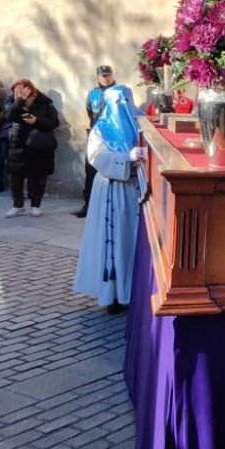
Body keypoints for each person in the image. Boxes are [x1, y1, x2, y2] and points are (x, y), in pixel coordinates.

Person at [73, 85, 142, 312]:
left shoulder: (141, 124)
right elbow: (96, 156)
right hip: (112, 190)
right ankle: (112, 294)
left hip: (137, 189)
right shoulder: (101, 129)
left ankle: (134, 292)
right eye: (116, 102)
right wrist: (125, 157)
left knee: (132, 242)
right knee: (113, 242)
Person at [5, 78, 60, 216]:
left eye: (21, 89)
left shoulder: (44, 103)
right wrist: (19, 101)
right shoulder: (12, 101)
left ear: (29, 89)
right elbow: (9, 116)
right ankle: (18, 205)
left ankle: (36, 205)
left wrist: (37, 121)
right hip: (18, 143)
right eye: (15, 89)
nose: (17, 92)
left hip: (38, 144)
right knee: (16, 177)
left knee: (37, 176)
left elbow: (54, 122)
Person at [77, 65, 119, 216]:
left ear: (112, 76)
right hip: (96, 134)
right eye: (103, 76)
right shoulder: (93, 93)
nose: (106, 78)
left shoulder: (119, 91)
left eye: (108, 75)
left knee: (112, 169)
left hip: (114, 136)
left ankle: (111, 206)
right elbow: (89, 111)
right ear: (98, 77)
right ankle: (88, 205)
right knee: (90, 170)